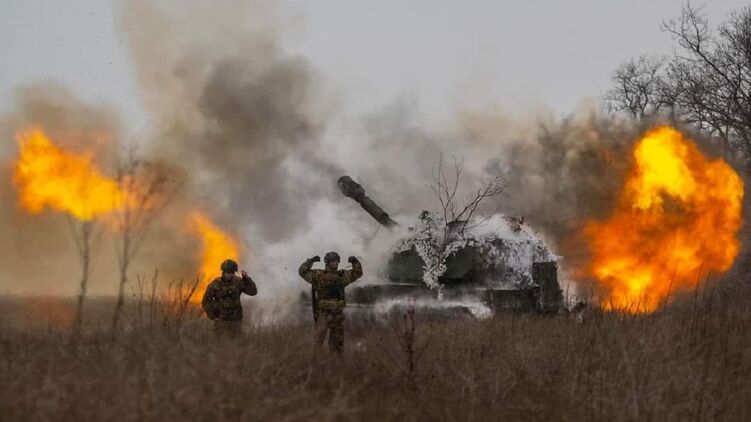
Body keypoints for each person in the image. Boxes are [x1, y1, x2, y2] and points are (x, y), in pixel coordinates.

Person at [298, 251, 363, 352]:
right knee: (318, 341)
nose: (335, 263)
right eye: (332, 261)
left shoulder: (342, 275)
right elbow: (302, 271)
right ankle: (316, 362)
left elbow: (357, 273)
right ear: (327, 262)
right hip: (324, 313)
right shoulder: (318, 275)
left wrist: (355, 262)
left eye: (336, 261)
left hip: (337, 314)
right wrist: (311, 261)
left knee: (337, 344)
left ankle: (335, 364)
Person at [201, 259, 258, 337]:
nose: (229, 274)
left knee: (236, 345)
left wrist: (247, 279)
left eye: (232, 272)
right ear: (223, 272)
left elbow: (253, 292)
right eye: (227, 272)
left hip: (235, 322)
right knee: (220, 345)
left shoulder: (238, 282)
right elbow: (206, 301)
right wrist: (213, 316)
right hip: (221, 321)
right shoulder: (215, 284)